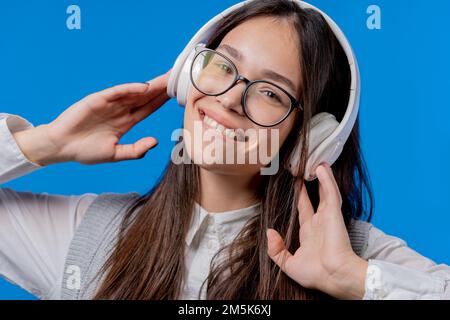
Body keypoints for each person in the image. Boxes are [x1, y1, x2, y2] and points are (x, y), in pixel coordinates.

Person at [1, 0, 449, 300]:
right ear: (185, 77)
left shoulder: (352, 255)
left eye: (270, 92)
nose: (230, 98)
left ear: (312, 138)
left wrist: (353, 281)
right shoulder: (92, 235)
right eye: (222, 66)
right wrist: (44, 143)